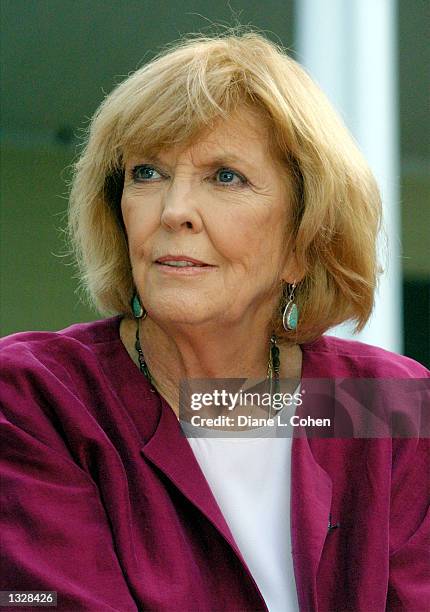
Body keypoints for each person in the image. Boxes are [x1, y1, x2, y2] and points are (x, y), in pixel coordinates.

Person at [1, 29, 429, 612]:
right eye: (147, 173)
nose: (174, 212)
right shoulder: (37, 397)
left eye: (226, 176)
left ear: (302, 241)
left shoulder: (383, 401)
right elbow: (39, 600)